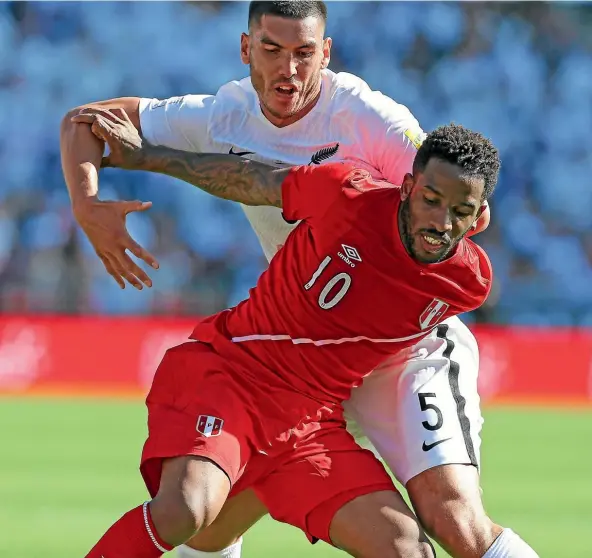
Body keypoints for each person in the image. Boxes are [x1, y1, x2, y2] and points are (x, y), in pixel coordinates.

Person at [60, 2, 538, 557]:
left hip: (399, 349)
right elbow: (87, 123)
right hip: (296, 355)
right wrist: (87, 205)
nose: (289, 69)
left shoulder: (370, 120)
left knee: (454, 522)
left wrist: (442, 216)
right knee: (205, 523)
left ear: (325, 54)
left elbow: (453, 196)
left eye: (304, 53)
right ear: (245, 50)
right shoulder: (222, 116)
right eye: (272, 50)